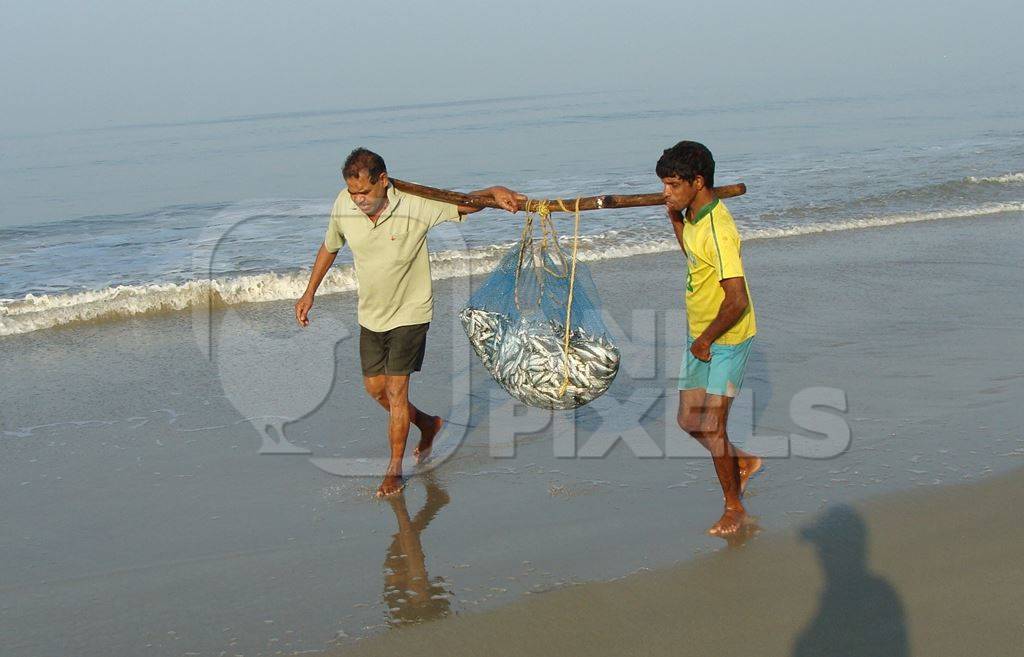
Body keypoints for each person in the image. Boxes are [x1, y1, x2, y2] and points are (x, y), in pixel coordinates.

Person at [295, 147, 523, 497]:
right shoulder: (343, 203)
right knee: (375, 389)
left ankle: (393, 472)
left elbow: (463, 203)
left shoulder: (415, 204)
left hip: (411, 314)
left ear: (383, 181)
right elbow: (330, 246)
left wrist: (494, 191)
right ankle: (428, 424)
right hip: (371, 314)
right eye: (353, 192)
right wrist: (309, 292)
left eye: (364, 192)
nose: (358, 200)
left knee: (397, 392)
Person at [659, 140, 763, 536]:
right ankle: (743, 462)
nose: (666, 192)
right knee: (689, 420)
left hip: (728, 336)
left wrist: (706, 341)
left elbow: (736, 301)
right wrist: (674, 217)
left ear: (697, 181)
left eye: (672, 185)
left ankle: (735, 508)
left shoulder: (720, 228)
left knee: (714, 425)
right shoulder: (695, 216)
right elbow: (694, 255)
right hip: (701, 334)